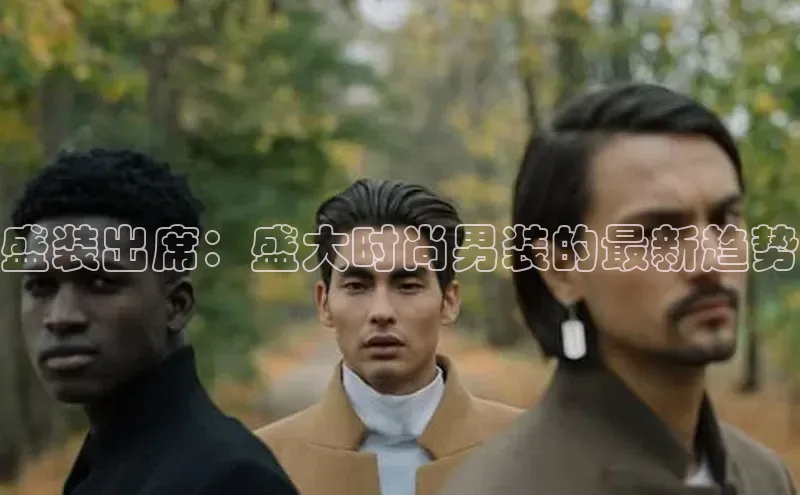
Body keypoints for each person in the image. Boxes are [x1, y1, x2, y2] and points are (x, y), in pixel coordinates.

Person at [436, 83, 797, 494]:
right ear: (560, 270)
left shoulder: (763, 476)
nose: (710, 262)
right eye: (659, 232)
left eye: (724, 221)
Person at [12, 149, 299, 495]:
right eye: (40, 286)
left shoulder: (231, 480)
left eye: (101, 283)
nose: (61, 317)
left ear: (176, 306)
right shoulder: (110, 459)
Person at [255, 178, 522, 495]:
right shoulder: (262, 464)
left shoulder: (527, 450)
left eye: (408, 286)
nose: (381, 312)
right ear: (324, 303)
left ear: (449, 302)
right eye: (357, 286)